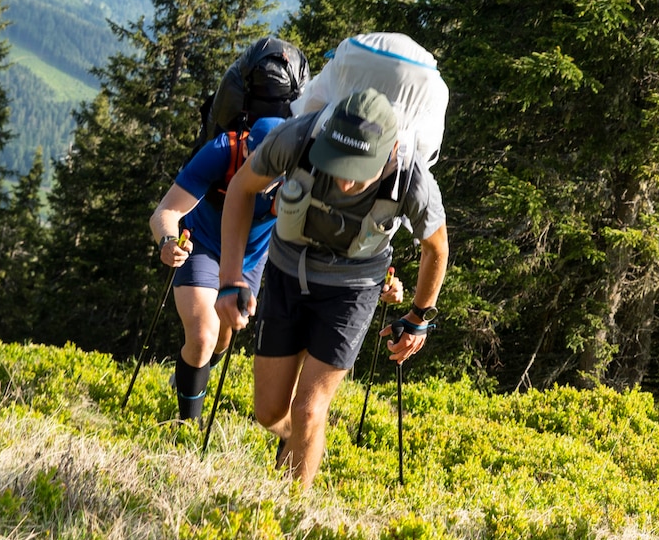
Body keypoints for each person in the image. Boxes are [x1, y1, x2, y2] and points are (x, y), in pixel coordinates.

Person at [214, 88, 447, 487]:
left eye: (358, 169)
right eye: (338, 164)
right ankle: (304, 440)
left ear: (389, 152)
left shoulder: (412, 181)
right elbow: (241, 188)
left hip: (352, 288)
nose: (344, 181)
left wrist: (419, 316)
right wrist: (229, 279)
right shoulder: (298, 138)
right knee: (269, 412)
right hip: (289, 271)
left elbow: (436, 247)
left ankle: (290, 517)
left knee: (308, 409)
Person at [147, 115, 285, 423]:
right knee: (202, 336)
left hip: (250, 258)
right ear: (248, 149)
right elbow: (166, 211)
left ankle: (190, 376)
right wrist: (168, 243)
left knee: (222, 339)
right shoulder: (222, 151)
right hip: (202, 246)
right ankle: (186, 425)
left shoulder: (298, 174)